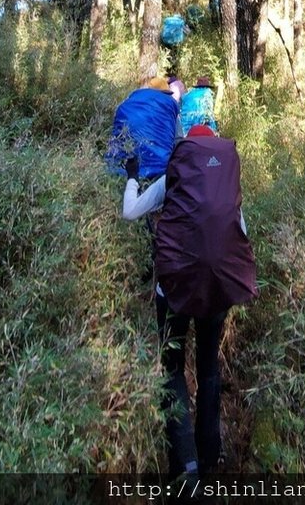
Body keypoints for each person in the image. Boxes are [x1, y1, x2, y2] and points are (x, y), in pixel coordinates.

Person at [122, 124, 257, 478]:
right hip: (217, 291)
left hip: (175, 290)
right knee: (209, 369)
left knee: (173, 369)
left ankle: (186, 462)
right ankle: (211, 455)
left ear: (186, 151)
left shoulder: (174, 177)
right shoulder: (227, 186)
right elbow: (240, 232)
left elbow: (131, 212)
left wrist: (132, 178)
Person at [105, 77, 180, 179]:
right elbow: (178, 138)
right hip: (158, 169)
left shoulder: (130, 101)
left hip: (121, 167)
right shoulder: (169, 103)